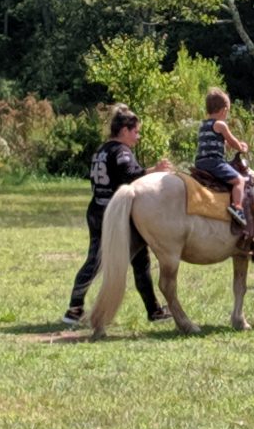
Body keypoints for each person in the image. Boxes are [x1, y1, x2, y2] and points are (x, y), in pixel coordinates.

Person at [63, 104, 173, 326]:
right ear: (124, 130)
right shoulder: (121, 151)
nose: (138, 136)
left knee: (139, 259)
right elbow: (131, 176)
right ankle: (74, 310)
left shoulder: (102, 149)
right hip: (111, 214)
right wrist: (156, 170)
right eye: (135, 131)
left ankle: (154, 310)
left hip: (95, 208)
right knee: (98, 260)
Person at [194, 87, 249, 227]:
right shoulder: (220, 124)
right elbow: (232, 140)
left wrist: (229, 145)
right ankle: (237, 208)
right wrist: (240, 147)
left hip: (200, 162)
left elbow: (219, 142)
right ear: (224, 110)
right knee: (239, 181)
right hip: (214, 163)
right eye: (228, 112)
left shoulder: (203, 125)